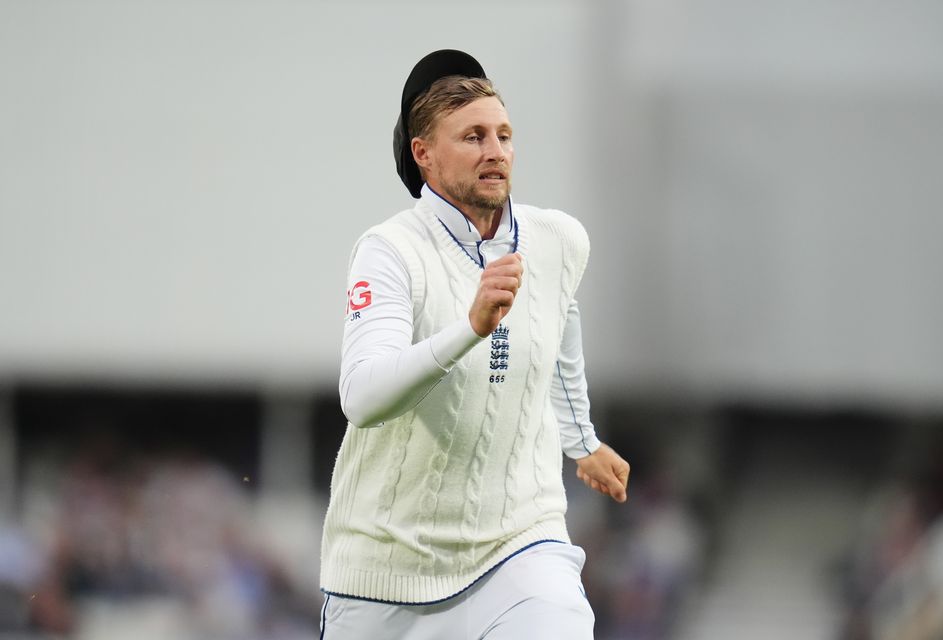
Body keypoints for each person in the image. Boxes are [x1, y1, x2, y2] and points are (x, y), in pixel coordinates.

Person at [320, 49, 630, 639]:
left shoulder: (559, 238)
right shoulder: (388, 251)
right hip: (385, 573)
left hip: (519, 545)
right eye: (473, 137)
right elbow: (361, 396)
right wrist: (470, 328)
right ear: (424, 155)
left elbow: (559, 321)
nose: (497, 151)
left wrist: (581, 440)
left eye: (504, 135)